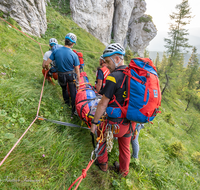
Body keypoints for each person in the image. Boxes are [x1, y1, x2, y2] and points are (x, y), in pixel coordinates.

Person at [91, 43, 136, 177]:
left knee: (100, 136)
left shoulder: (113, 77)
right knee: (125, 148)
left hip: (116, 124)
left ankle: (103, 164)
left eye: (108, 61)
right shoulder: (133, 74)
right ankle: (123, 172)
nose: (106, 65)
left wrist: (94, 123)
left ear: (117, 59)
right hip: (130, 122)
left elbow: (103, 104)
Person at [44, 33, 80, 115]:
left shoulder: (56, 51)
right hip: (71, 75)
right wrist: (78, 82)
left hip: (60, 75)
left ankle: (67, 105)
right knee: (73, 92)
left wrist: (47, 69)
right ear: (73, 43)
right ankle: (73, 110)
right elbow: (77, 71)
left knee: (64, 90)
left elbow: (46, 64)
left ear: (65, 40)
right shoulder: (74, 54)